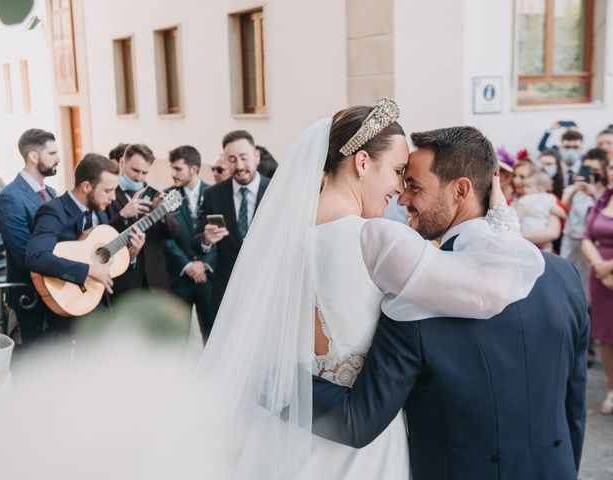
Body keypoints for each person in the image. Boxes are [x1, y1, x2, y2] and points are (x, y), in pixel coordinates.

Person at [193, 100, 545, 479]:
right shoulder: (375, 238)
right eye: (397, 171)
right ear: (362, 163)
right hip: (360, 448)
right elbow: (490, 290)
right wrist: (501, 217)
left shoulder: (277, 238)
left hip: (288, 435)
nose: (399, 188)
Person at [312, 124, 588, 480]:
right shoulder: (564, 277)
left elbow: (358, 422)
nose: (401, 198)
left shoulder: (413, 299)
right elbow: (574, 408)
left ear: (460, 190)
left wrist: (274, 386)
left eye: (414, 185)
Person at [25, 154, 145, 335]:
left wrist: (132, 254)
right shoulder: (53, 212)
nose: (113, 197)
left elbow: (102, 260)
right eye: (108, 190)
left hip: (100, 305)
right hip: (71, 310)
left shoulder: (100, 213)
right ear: (87, 186)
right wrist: (88, 270)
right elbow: (36, 257)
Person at [191, 130, 269, 317]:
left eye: (244, 158)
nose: (239, 166)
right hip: (227, 291)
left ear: (256, 156)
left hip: (267, 289)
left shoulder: (275, 190)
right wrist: (206, 240)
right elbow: (195, 242)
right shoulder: (213, 194)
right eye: (232, 159)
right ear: (225, 161)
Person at [0, 129, 59, 344]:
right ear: (33, 156)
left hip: (57, 295)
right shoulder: (9, 197)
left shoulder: (50, 193)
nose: (58, 159)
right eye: (52, 153)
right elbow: (25, 255)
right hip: (29, 298)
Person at [106, 144, 180, 297]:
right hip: (123, 281)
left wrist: (161, 212)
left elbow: (174, 233)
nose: (139, 177)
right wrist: (122, 215)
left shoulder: (153, 194)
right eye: (135, 170)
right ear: (122, 163)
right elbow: (103, 235)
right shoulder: (108, 193)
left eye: (144, 172)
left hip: (155, 281)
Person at [162, 145, 216, 341]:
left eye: (177, 169)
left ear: (193, 169)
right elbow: (165, 237)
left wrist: (203, 263)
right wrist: (187, 265)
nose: (172, 173)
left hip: (208, 276)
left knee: (212, 336)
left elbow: (221, 235)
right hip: (179, 277)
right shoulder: (166, 196)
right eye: (171, 168)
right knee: (176, 337)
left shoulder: (214, 193)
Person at [582, 163, 613, 414]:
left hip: (606, 269)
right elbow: (586, 236)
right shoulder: (603, 200)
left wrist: (608, 265)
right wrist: (598, 265)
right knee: (605, 337)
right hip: (600, 277)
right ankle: (612, 390)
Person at [562, 148, 608, 300]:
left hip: (592, 244)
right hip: (570, 239)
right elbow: (564, 209)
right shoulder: (571, 189)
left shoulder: (605, 194)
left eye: (595, 170)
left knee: (589, 282)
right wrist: (574, 190)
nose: (591, 172)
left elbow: (605, 217)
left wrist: (594, 194)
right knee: (566, 275)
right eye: (588, 168)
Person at [515, 172, 567, 252]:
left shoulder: (525, 199)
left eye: (528, 186)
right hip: (542, 230)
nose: (524, 189)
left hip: (528, 230)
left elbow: (518, 217)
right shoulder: (550, 198)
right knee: (548, 246)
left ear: (539, 189)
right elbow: (559, 212)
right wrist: (565, 216)